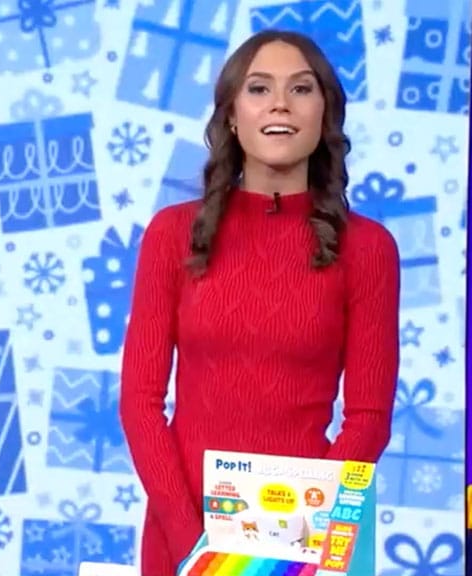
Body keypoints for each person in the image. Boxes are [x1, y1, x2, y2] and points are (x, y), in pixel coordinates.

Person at [119, 30, 400, 576]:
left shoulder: (368, 248)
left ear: (325, 113)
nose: (280, 104)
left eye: (301, 89)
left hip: (304, 545)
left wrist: (295, 541)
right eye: (259, 88)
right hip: (183, 538)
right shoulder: (172, 234)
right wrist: (197, 548)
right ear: (231, 115)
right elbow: (140, 403)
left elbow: (369, 419)